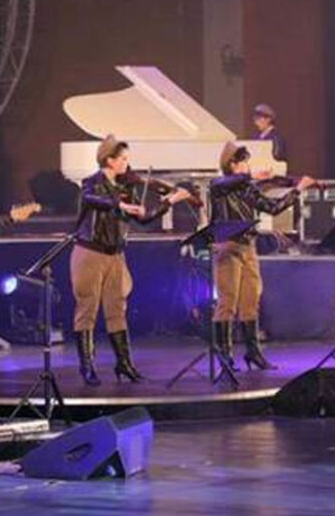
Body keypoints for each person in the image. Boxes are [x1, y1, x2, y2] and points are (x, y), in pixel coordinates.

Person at [71, 134, 192, 385]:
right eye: (123, 159)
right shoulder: (91, 183)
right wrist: (120, 205)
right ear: (109, 160)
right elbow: (93, 199)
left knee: (117, 309)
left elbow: (144, 218)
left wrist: (169, 201)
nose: (127, 164)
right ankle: (87, 366)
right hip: (90, 252)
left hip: (116, 255)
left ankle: (124, 364)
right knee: (87, 309)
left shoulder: (126, 188)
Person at [210, 142, 315, 370]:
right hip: (227, 246)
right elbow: (224, 183)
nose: (246, 166)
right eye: (242, 162)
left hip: (248, 247)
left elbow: (273, 207)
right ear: (232, 165)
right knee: (227, 302)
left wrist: (297, 189)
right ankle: (224, 355)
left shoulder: (248, 189)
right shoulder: (219, 186)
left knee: (251, 300)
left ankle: (253, 352)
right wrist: (253, 177)